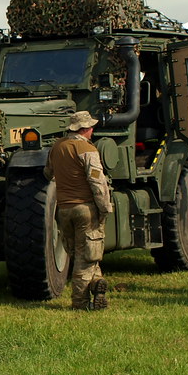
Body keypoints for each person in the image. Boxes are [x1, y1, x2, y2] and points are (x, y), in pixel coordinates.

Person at [44, 110, 113, 310]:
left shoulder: (57, 147)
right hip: (85, 208)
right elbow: (97, 182)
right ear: (86, 129)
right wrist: (104, 208)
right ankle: (80, 302)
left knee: (81, 254)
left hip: (64, 209)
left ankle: (97, 284)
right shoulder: (86, 149)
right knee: (87, 256)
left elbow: (47, 173)